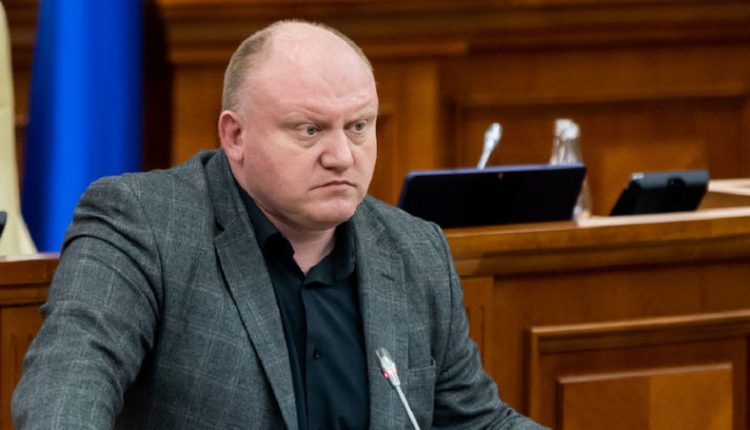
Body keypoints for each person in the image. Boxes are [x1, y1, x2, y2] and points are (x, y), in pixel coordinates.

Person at [12, 20, 546, 429]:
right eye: (310, 130)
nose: (342, 156)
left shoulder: (414, 249)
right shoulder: (144, 224)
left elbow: (477, 422)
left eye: (359, 126)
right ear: (235, 136)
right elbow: (67, 389)